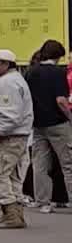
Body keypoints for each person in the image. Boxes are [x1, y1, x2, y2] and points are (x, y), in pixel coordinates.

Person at [0, 49, 33, 230]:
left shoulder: (7, 83)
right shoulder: (12, 80)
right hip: (18, 137)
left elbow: (11, 115)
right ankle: (17, 214)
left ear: (5, 64)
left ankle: (10, 214)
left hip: (8, 137)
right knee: (12, 176)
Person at [23, 40, 72, 208]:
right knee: (68, 163)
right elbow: (61, 101)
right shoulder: (58, 72)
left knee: (40, 164)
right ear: (58, 56)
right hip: (58, 124)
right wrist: (70, 117)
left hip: (38, 123)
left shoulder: (31, 72)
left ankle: (42, 201)